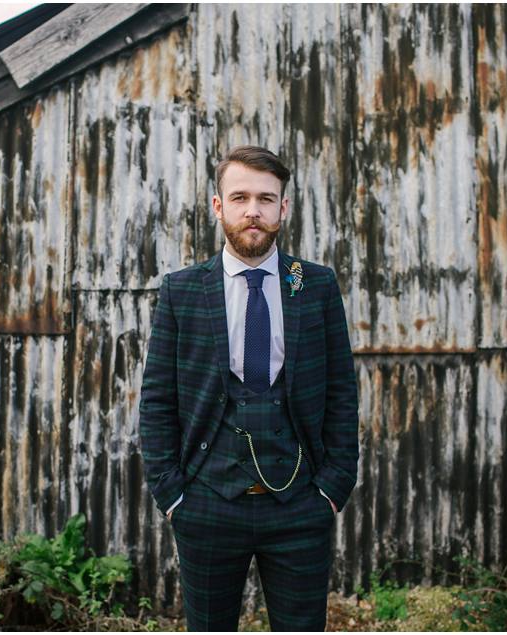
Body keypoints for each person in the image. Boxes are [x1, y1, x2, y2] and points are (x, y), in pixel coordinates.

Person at [139, 145, 359, 631]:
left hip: (301, 505)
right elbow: (157, 399)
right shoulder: (183, 290)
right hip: (206, 505)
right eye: (239, 197)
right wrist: (172, 494)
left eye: (265, 198)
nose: (252, 211)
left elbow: (342, 390)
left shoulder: (315, 285)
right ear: (218, 207)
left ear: (283, 207)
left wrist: (333, 486)